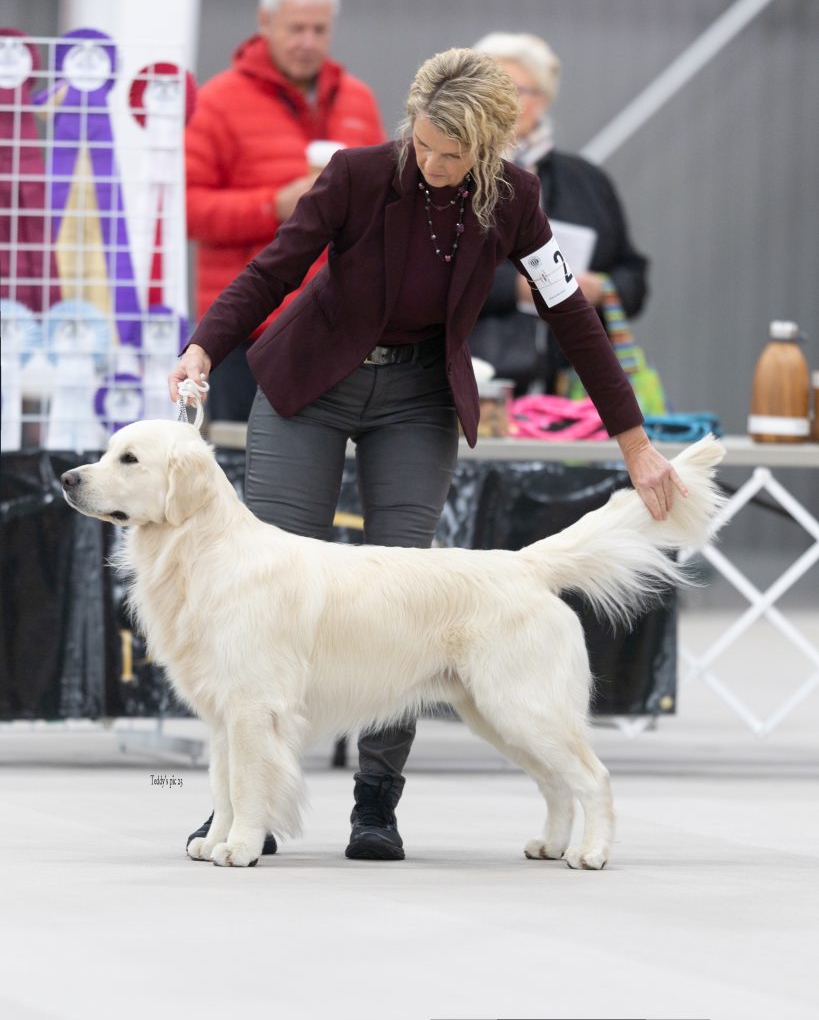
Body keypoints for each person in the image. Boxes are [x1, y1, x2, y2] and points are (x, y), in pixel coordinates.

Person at [170, 47, 687, 862]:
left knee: (411, 601)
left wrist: (635, 445)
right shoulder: (356, 174)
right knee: (262, 600)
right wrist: (204, 346)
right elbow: (272, 272)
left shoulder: (516, 198)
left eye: (453, 154)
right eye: (423, 145)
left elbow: (571, 315)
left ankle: (376, 802)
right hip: (311, 384)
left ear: (488, 148)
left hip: (416, 397)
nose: (433, 164)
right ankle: (244, 810)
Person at [185, 0, 385, 422]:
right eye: (296, 28)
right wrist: (272, 205)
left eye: (319, 30)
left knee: (332, 461)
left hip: (338, 332)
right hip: (247, 333)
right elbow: (188, 208)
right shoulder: (218, 100)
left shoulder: (358, 99)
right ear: (265, 22)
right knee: (242, 456)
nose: (308, 42)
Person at [470, 32, 649, 397]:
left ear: (542, 100)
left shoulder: (586, 180)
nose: (499, 102)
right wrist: (517, 288)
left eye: (514, 90)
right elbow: (426, 274)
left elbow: (633, 276)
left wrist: (601, 289)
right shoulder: (451, 175)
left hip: (570, 385)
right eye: (487, 90)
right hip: (476, 384)